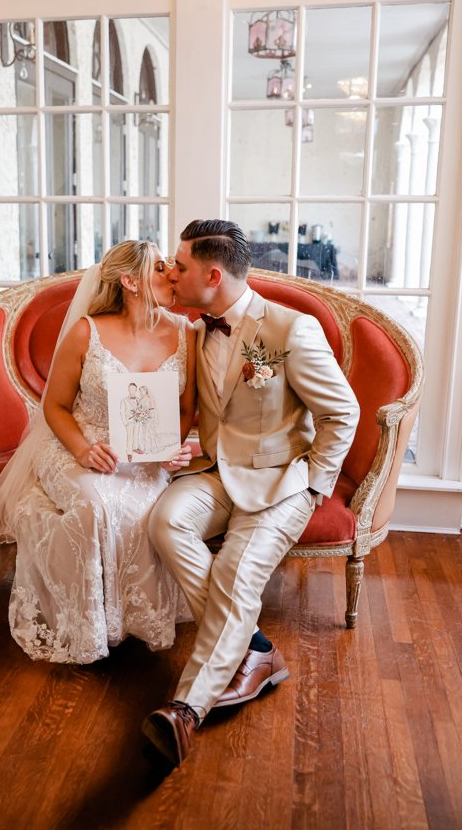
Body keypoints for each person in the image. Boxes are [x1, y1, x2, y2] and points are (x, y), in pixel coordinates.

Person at [141, 219, 360, 769]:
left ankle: (185, 710)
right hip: (216, 471)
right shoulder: (193, 329)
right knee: (164, 521)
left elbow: (342, 412)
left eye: (181, 264)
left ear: (212, 275)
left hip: (282, 481)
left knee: (238, 569)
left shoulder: (290, 330)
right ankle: (255, 650)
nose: (172, 270)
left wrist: (314, 488)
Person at [0, 240, 197, 664]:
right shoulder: (87, 331)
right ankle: (92, 628)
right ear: (130, 281)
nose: (172, 274)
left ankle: (135, 620)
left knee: (147, 508)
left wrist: (170, 447)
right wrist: (82, 449)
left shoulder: (186, 333)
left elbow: (187, 408)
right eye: (160, 268)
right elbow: (55, 406)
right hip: (77, 444)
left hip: (144, 456)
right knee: (95, 506)